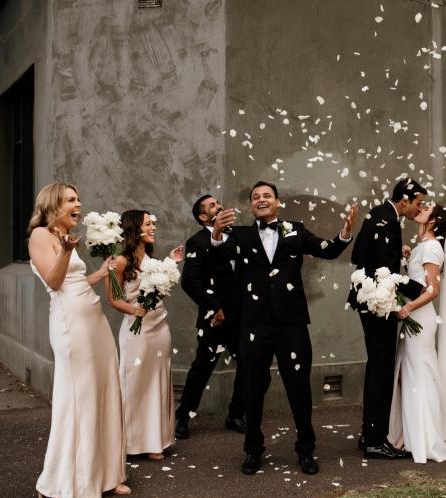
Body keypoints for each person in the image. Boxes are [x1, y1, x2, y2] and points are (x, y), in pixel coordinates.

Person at [211, 181, 357, 476]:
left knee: (299, 387)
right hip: (254, 323)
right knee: (252, 388)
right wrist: (215, 235)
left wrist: (343, 233)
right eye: (256, 197)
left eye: (267, 196)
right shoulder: (238, 235)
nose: (261, 200)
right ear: (251, 206)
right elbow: (218, 261)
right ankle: (253, 449)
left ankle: (306, 449)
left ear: (277, 202)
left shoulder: (295, 230)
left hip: (291, 323)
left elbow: (326, 250)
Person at [28, 182, 129, 498]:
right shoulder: (41, 236)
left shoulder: (64, 238)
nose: (78, 204)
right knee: (79, 397)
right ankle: (66, 481)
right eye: (71, 200)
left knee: (104, 391)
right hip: (71, 326)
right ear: (54, 204)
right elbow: (55, 282)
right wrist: (69, 250)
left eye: (78, 199)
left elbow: (74, 282)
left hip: (94, 321)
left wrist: (100, 274)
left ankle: (107, 474)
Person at [349, 178, 427, 460]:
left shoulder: (376, 214)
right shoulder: (389, 221)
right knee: (381, 369)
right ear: (405, 200)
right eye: (418, 203)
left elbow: (358, 255)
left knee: (378, 366)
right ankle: (374, 440)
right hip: (377, 304)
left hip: (368, 300)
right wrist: (418, 289)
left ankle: (368, 434)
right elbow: (383, 268)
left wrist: (396, 256)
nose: (420, 208)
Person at [388, 203, 446, 463]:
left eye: (427, 208)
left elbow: (432, 290)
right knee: (407, 374)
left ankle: (420, 437)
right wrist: (407, 259)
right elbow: (417, 281)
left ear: (434, 221)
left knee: (419, 375)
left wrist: (407, 307)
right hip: (414, 318)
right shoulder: (422, 246)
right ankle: (409, 432)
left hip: (420, 317)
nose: (421, 207)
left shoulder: (431, 247)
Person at [108, 210, 183, 460]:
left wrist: (171, 263)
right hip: (135, 329)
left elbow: (155, 287)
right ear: (134, 229)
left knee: (157, 382)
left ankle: (155, 441)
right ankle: (129, 442)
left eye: (153, 224)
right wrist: (134, 309)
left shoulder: (150, 259)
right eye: (148, 224)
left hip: (159, 326)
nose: (153, 228)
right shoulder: (119, 261)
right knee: (135, 383)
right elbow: (113, 298)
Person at [175, 194, 246, 440]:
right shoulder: (197, 241)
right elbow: (190, 282)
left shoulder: (237, 235)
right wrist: (214, 307)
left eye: (218, 202)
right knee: (202, 369)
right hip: (215, 318)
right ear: (203, 217)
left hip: (242, 316)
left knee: (248, 366)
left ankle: (236, 415)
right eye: (212, 205)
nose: (219, 206)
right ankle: (183, 417)